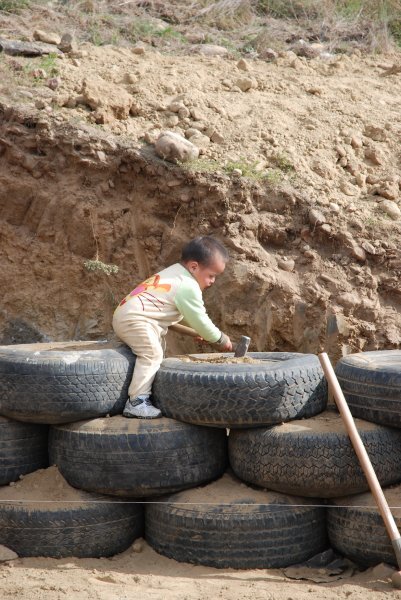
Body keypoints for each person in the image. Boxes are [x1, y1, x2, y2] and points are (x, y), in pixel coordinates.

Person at [112, 236, 233, 419]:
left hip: (130, 315)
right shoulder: (188, 286)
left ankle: (145, 393)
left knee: (157, 350)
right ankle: (136, 402)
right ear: (194, 267)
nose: (212, 281)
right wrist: (219, 339)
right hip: (135, 319)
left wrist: (201, 333)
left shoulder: (173, 273)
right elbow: (201, 319)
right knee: (152, 354)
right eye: (211, 275)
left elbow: (167, 314)